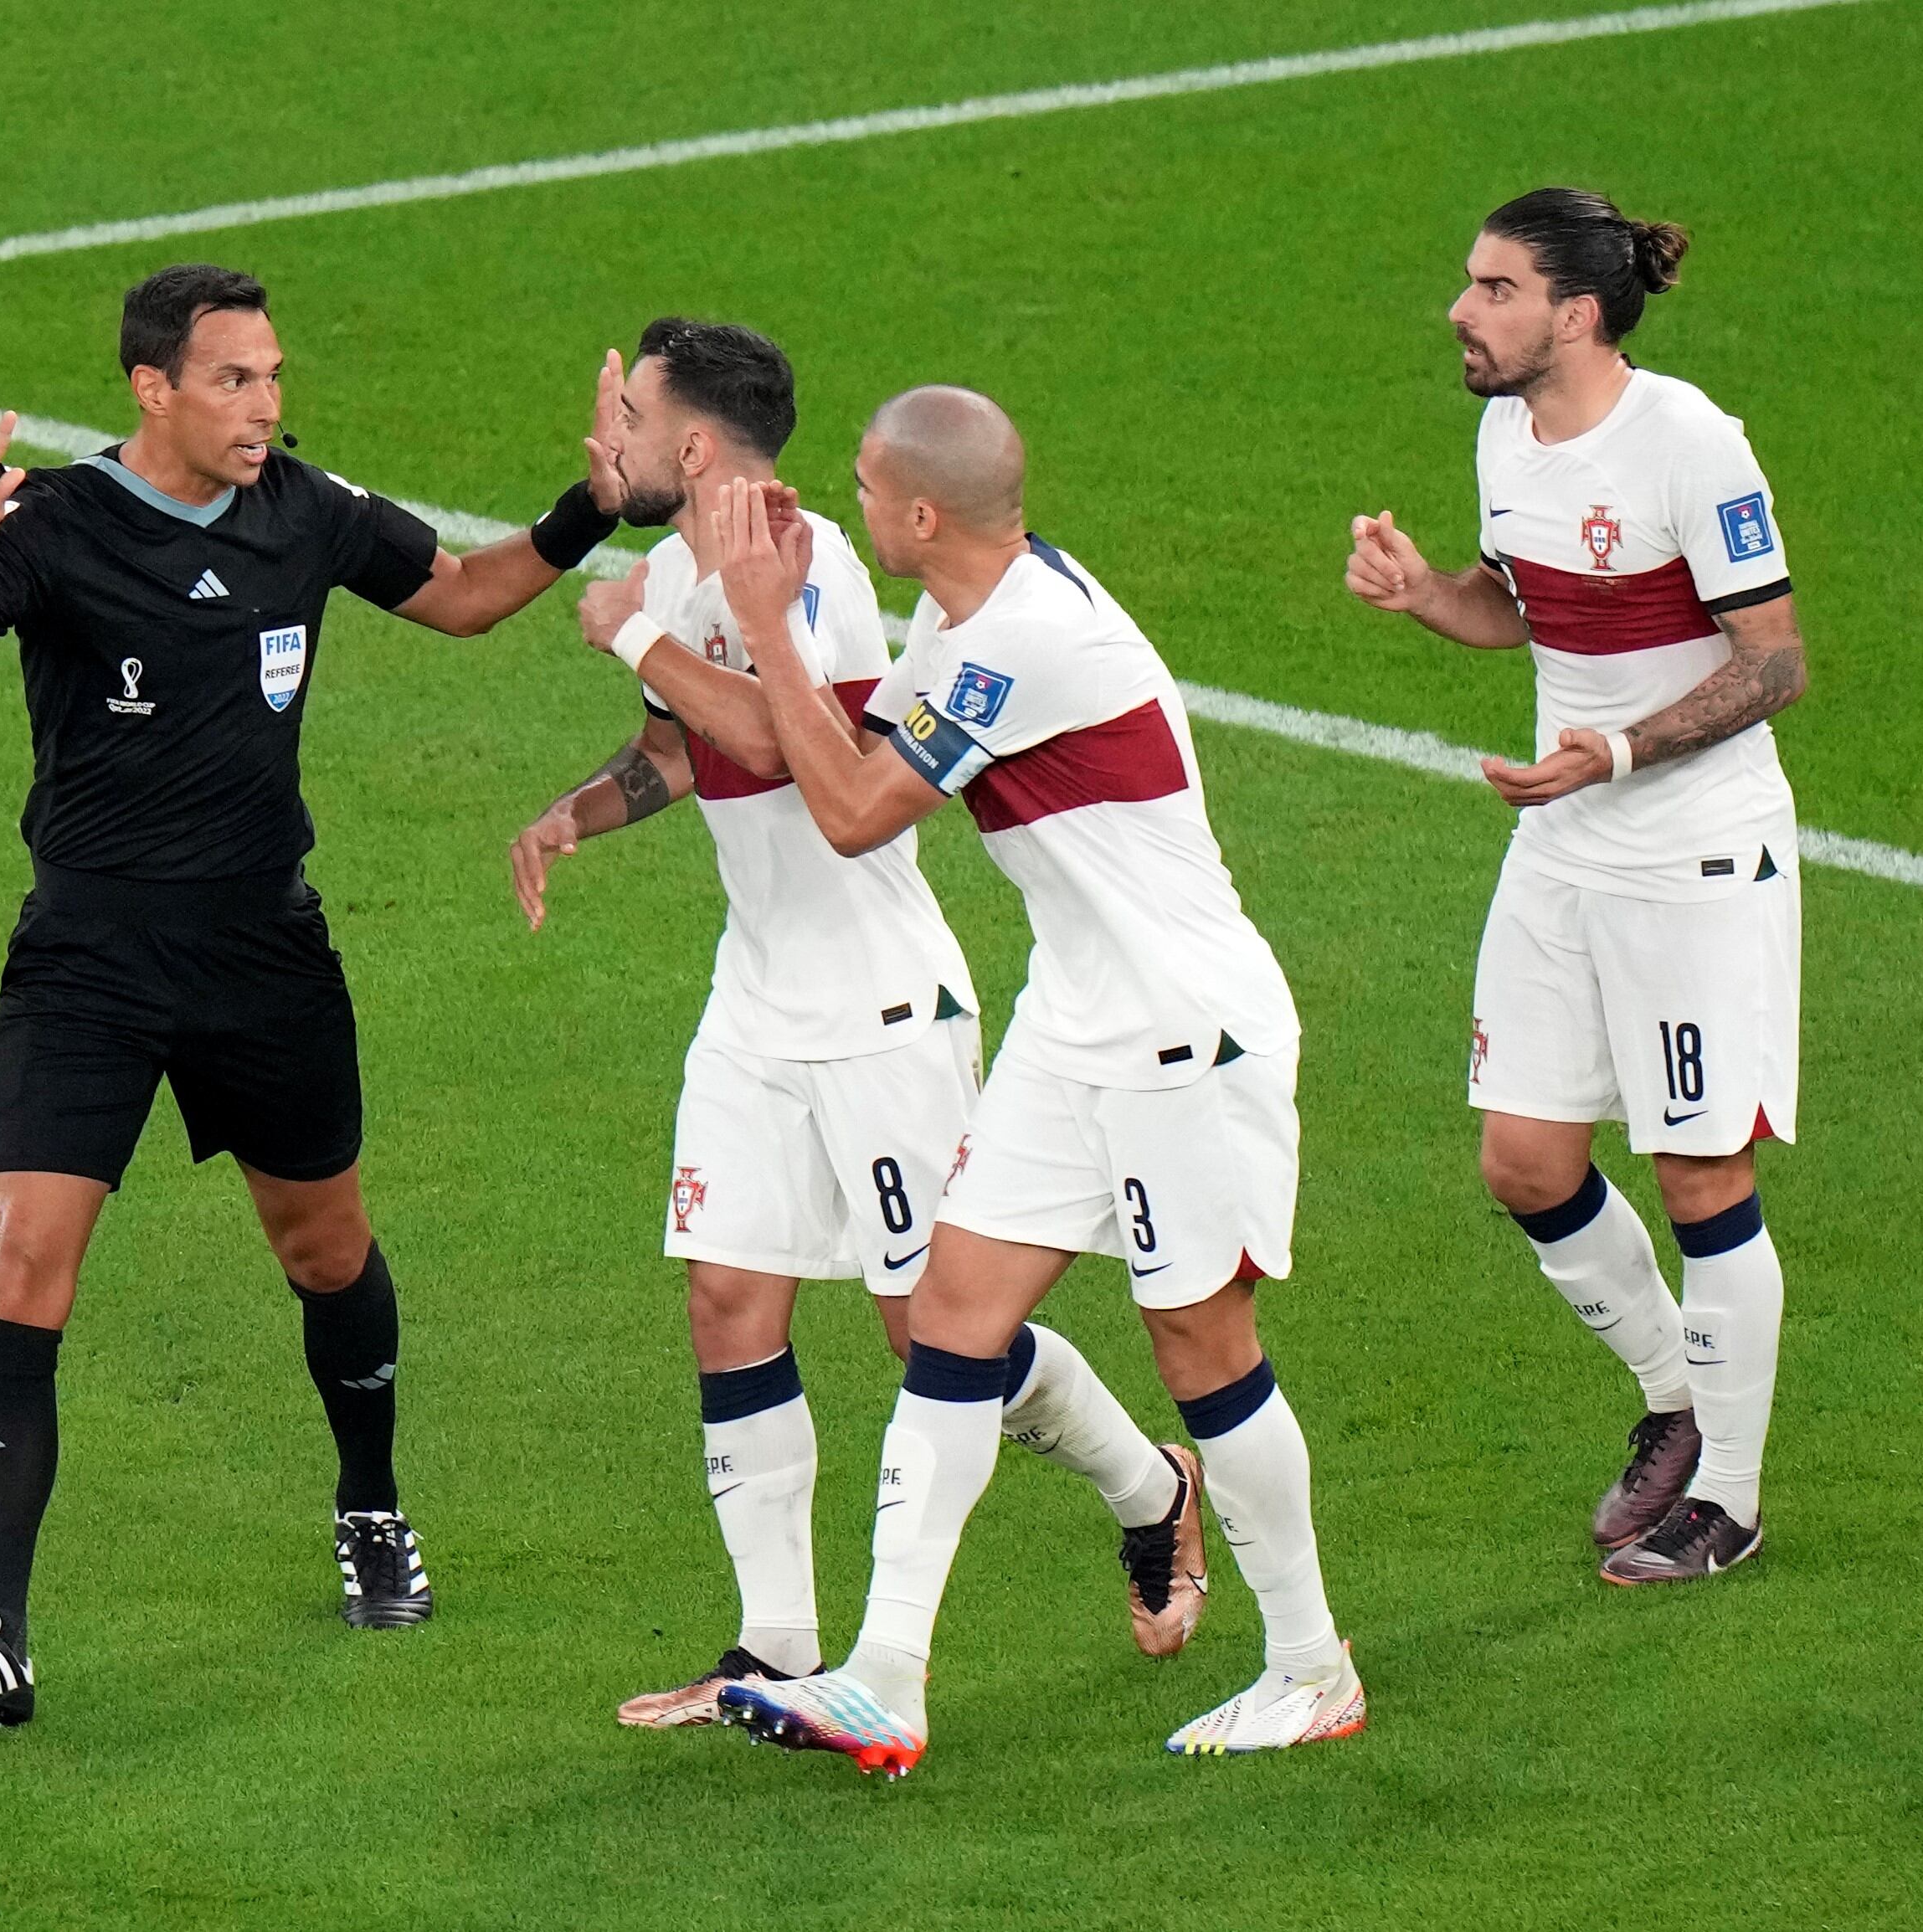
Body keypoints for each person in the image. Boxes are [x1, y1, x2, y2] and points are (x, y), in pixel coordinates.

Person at [0, 262, 628, 1727]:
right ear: (151, 388)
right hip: (86, 958)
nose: (264, 404)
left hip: (262, 957)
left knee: (323, 1249)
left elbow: (463, 599)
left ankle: (369, 1500)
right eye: (232, 379)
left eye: (272, 376)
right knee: (22, 1259)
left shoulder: (306, 511)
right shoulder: (54, 525)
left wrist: (590, 508)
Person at [507, 321, 1210, 1729]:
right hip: (753, 997)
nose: (612, 445)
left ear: (693, 446)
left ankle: (1152, 1488)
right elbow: (677, 749)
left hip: (882, 1004)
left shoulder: (804, 559)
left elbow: (783, 743)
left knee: (920, 1329)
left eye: (630, 418)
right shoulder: (660, 567)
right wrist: (579, 812)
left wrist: (637, 630)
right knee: (726, 1302)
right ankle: (772, 1649)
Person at [704, 388, 1362, 1770]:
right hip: (1076, 1020)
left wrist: (759, 622)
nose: (853, 507)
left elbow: (852, 810)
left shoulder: (1022, 640)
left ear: (919, 514)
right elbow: (841, 734)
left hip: (1183, 1029)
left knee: (1200, 1344)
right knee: (952, 1312)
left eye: (867, 491)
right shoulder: (968, 614)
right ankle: (884, 1675)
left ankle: (1312, 1668)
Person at [1344, 189, 1807, 1585]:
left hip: (1692, 854)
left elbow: (1773, 661)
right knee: (1525, 1161)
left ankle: (1724, 1497)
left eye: (1491, 288)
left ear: (1577, 314)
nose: (1459, 310)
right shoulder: (1502, 430)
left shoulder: (1690, 445)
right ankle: (1677, 1401)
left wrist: (1611, 749)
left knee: (1696, 1168)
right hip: (1565, 840)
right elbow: (1520, 602)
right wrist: (1427, 592)